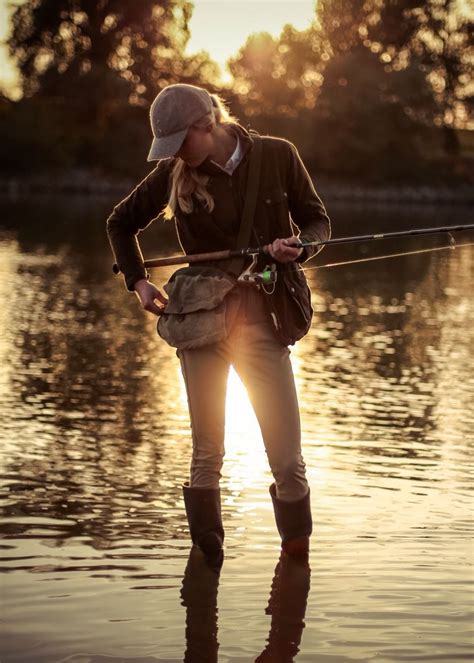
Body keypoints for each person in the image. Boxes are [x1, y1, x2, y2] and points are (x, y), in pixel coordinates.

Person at [107, 83, 330, 559]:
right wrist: (138, 282)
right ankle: (205, 582)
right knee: (207, 457)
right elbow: (120, 223)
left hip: (264, 323)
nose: (176, 155)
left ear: (207, 124)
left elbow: (317, 221)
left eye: (180, 143)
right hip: (200, 325)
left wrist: (300, 247)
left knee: (287, 462)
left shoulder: (278, 155)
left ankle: (296, 563)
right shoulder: (173, 172)